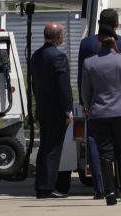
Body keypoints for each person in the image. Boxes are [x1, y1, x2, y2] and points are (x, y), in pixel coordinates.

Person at [78, 9, 121, 199]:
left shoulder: (87, 45)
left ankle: (102, 188)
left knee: (100, 149)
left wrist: (85, 104)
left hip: (97, 107)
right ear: (117, 24)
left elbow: (82, 80)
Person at [29, 22, 73, 200]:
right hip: (56, 111)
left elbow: (34, 85)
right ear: (59, 37)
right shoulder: (59, 57)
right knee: (53, 150)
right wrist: (68, 110)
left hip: (43, 109)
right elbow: (64, 88)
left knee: (44, 149)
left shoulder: (36, 56)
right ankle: (47, 188)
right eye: (63, 34)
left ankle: (41, 186)